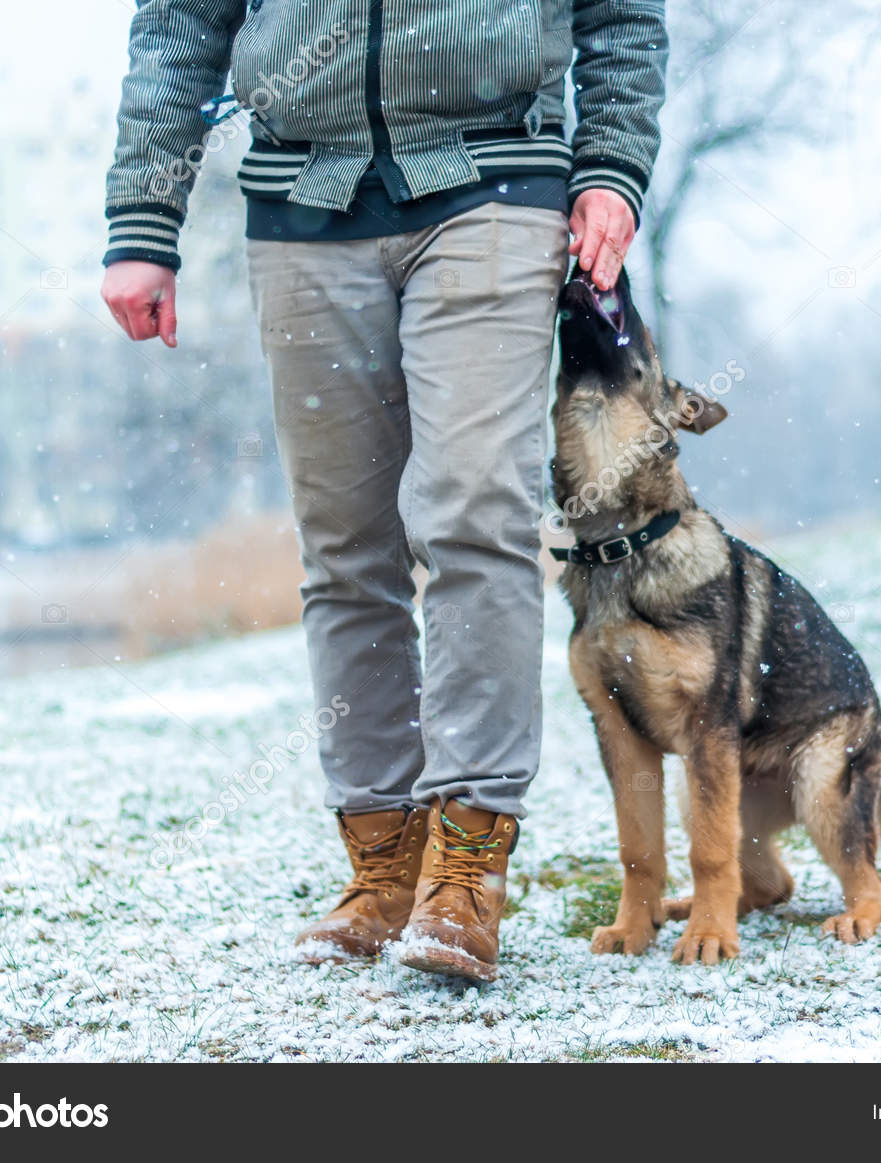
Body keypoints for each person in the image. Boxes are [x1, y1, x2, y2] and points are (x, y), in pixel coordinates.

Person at [100, 0, 667, 981]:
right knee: (345, 549)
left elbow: (620, 12)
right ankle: (382, 865)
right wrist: (144, 218)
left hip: (495, 179)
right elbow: (179, 22)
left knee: (473, 516)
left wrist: (611, 166)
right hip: (302, 206)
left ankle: (468, 872)